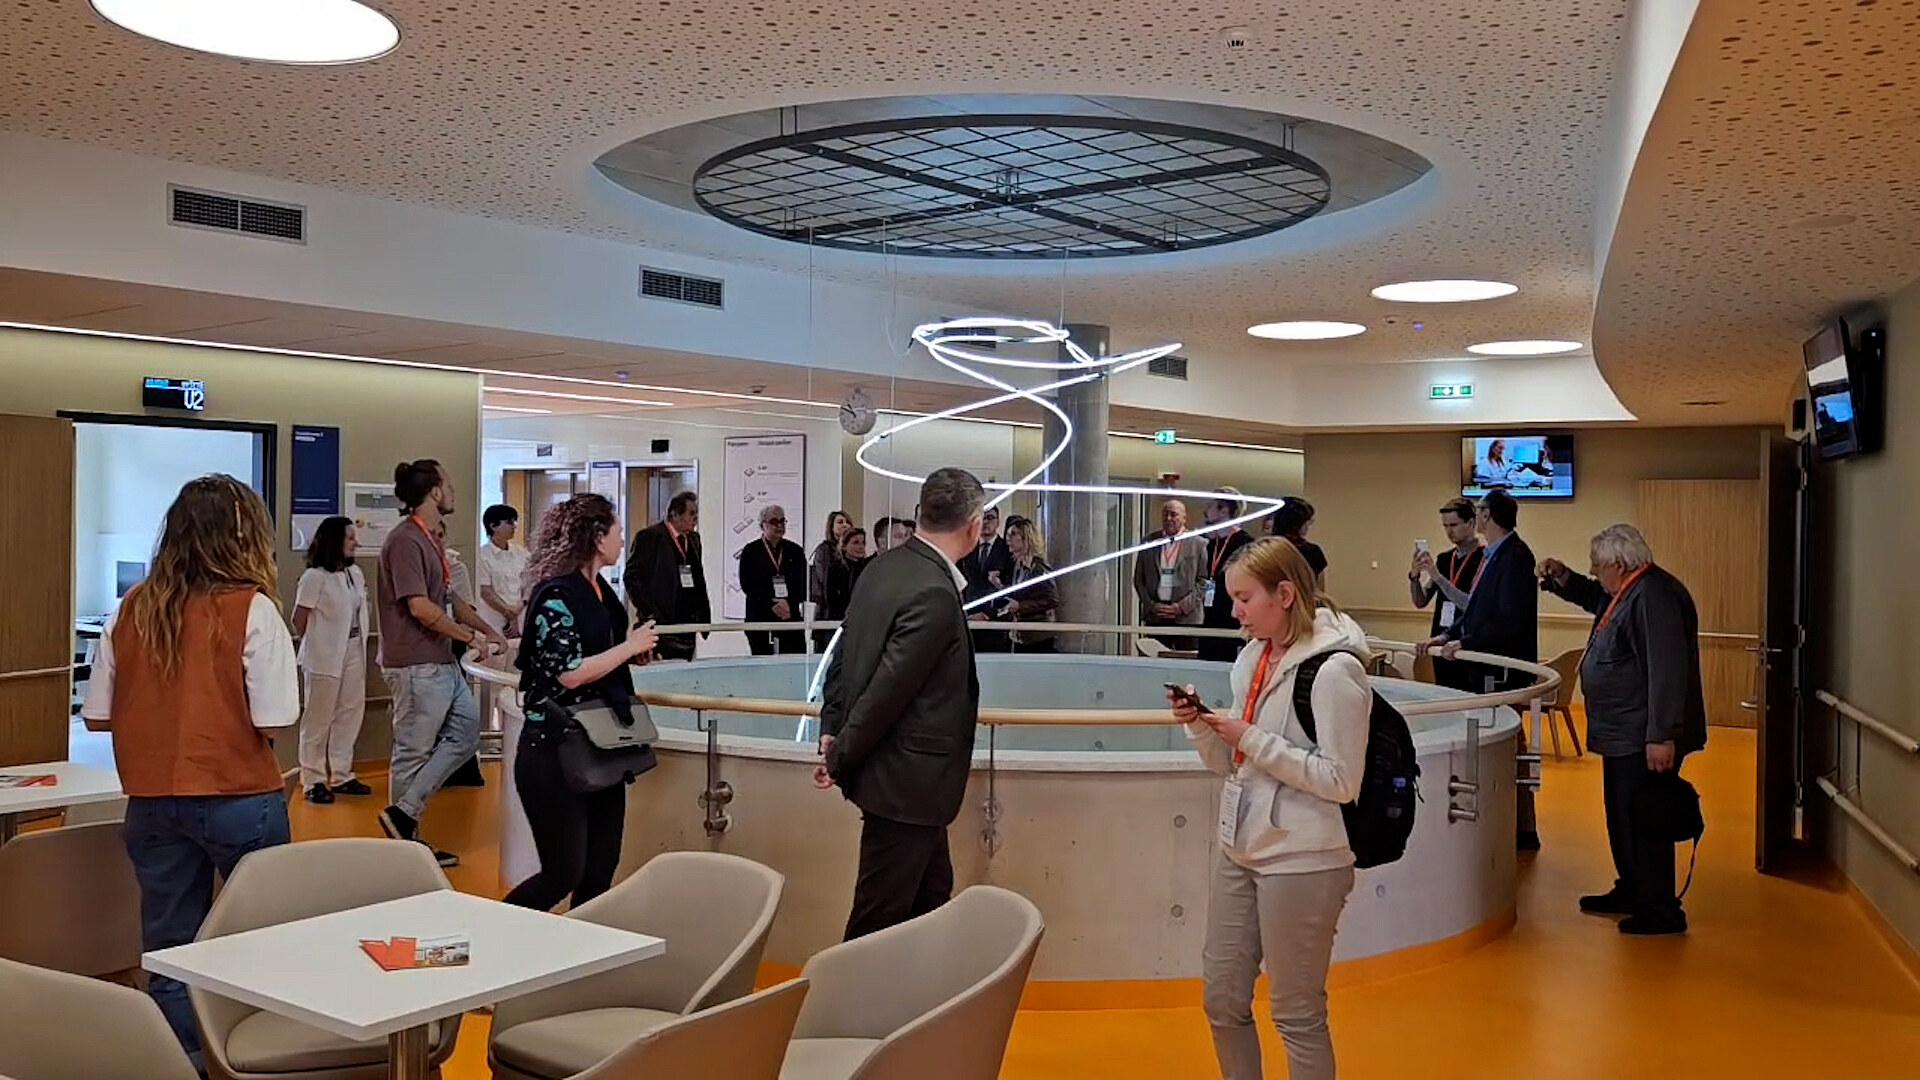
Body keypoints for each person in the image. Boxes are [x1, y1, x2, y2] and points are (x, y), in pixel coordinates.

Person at [79, 475, 299, 1067]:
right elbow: (276, 718)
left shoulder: (132, 608)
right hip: (239, 798)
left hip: (152, 802)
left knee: (170, 947)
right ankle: (258, 1058)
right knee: (265, 936)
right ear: (247, 535)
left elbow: (97, 715)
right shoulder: (253, 608)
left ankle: (186, 1062)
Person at [1169, 537, 1370, 1080]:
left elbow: (1341, 780)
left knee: (1297, 1013)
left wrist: (1251, 738)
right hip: (1241, 846)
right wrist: (1201, 726)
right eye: (1231, 598)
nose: (1234, 611)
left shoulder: (1334, 671)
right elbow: (1233, 763)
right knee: (1221, 999)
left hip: (1306, 857)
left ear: (1284, 594)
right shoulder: (1252, 658)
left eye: (1244, 598)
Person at [817, 468, 985, 940]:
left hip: (905, 786)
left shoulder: (882, 568)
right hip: (906, 782)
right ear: (974, 525)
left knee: (929, 900)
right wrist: (838, 754)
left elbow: (842, 659)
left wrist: (832, 726)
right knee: (879, 917)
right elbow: (887, 692)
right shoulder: (933, 591)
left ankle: (914, 986)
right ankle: (846, 990)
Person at [1541, 525, 1707, 935]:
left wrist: (1661, 735)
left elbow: (1667, 668)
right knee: (1623, 818)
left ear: (1619, 563)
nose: (1594, 573)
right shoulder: (1628, 590)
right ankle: (1633, 887)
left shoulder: (1654, 596)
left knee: (1646, 819)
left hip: (1642, 734)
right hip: (1623, 733)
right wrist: (1564, 579)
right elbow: (1597, 597)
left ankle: (1659, 908)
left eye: (1597, 566)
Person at [504, 494, 660, 912]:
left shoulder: (602, 592)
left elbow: (599, 653)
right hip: (554, 749)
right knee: (563, 873)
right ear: (597, 536)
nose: (623, 539)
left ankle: (579, 945)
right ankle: (496, 930)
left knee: (599, 871)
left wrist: (631, 653)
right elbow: (569, 672)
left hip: (601, 745)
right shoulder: (555, 595)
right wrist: (628, 648)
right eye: (618, 531)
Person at [375, 459, 506, 867]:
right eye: (448, 485)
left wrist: (490, 631)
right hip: (415, 664)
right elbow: (420, 607)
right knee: (412, 751)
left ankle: (404, 813)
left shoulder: (429, 540)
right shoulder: (405, 541)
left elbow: (451, 600)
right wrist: (469, 637)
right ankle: (405, 851)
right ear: (434, 492)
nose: (453, 491)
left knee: (466, 737)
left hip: (440, 661)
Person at [1419, 488, 1541, 850]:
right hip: (1478, 661)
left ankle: (1521, 827)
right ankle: (1494, 822)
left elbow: (1507, 618)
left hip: (1499, 670)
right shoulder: (1494, 555)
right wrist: (1448, 635)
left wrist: (1467, 642)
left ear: (1485, 516)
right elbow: (1477, 610)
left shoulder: (1515, 557)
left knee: (1507, 744)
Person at [291, 515, 372, 804]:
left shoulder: (354, 574)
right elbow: (298, 618)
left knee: (350, 712)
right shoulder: (314, 577)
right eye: (350, 538)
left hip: (353, 649)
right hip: (323, 655)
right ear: (334, 541)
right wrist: (315, 643)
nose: (355, 543)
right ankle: (312, 779)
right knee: (318, 718)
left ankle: (342, 774)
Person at [1408, 497, 1485, 691]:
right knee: (1444, 691)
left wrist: (1437, 576)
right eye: (1445, 526)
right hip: (1440, 640)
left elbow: (1471, 606)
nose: (1449, 531)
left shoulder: (1483, 558)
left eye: (1454, 525)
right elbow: (1420, 601)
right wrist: (1414, 577)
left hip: (1466, 641)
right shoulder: (1444, 559)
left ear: (1471, 523)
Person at [624, 491, 711, 661]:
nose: (695, 519)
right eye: (691, 513)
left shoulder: (694, 539)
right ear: (675, 514)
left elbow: (697, 577)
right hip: (662, 623)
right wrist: (650, 612)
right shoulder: (650, 537)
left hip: (688, 623)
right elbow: (632, 578)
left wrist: (702, 614)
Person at [1133, 499, 1207, 651]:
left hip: (1187, 618)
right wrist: (1152, 606)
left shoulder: (1199, 544)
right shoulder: (1148, 542)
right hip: (1156, 617)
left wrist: (1181, 607)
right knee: (1155, 661)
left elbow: (1205, 582)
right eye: (1165, 514)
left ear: (1184, 518)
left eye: (1173, 514)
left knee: (1187, 661)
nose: (1168, 518)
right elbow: (1139, 580)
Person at [737, 503, 807, 655]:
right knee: (764, 664)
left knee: (793, 663)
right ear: (763, 525)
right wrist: (771, 603)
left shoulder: (795, 551)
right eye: (774, 521)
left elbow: (803, 584)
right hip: (760, 617)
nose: (780, 525)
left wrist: (788, 603)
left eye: (782, 521)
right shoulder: (751, 551)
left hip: (789, 617)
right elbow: (748, 584)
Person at [1199, 488, 1256, 662]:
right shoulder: (1211, 544)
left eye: (1210, 506)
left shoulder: (1245, 544)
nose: (1205, 510)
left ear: (1223, 510)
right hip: (1210, 617)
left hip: (1233, 618)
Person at [995, 516, 1059, 653]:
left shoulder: (1039, 568)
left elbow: (1052, 599)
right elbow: (1022, 592)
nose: (1008, 538)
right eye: (1008, 534)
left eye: (1013, 534)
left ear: (1026, 538)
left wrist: (1020, 606)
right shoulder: (1019, 565)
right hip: (1021, 635)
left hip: (1038, 637)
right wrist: (1001, 588)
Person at [961, 505, 1014, 652]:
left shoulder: (1007, 550)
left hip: (995, 621)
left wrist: (987, 614)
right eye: (982, 518)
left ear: (998, 522)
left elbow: (1011, 587)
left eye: (990, 518)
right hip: (969, 619)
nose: (985, 522)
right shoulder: (967, 548)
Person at [476, 504, 529, 640]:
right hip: (494, 620)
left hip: (520, 617)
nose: (514, 526)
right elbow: (485, 591)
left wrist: (518, 608)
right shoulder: (482, 555)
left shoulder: (522, 553)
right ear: (493, 526)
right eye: (509, 522)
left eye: (515, 522)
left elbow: (530, 584)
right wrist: (508, 612)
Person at [816, 526, 869, 652]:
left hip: (862, 624)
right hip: (838, 624)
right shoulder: (835, 569)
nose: (860, 547)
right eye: (855, 543)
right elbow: (831, 600)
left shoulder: (868, 568)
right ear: (844, 546)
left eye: (863, 543)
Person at [1269, 498, 1327, 587]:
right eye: (1307, 521)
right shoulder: (1312, 552)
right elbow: (1319, 588)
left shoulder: (1264, 550)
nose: (1308, 526)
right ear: (1298, 524)